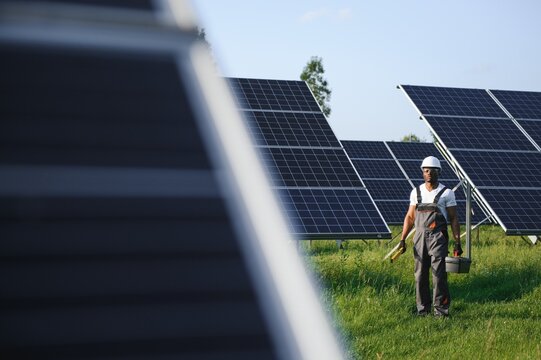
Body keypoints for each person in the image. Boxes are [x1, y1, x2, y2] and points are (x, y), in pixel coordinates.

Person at [399, 156, 463, 317]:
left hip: (438, 238)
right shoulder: (416, 191)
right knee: (420, 275)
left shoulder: (447, 193)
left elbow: (454, 218)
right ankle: (423, 310)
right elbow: (410, 217)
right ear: (422, 172)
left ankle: (441, 311)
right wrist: (402, 239)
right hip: (419, 238)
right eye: (425, 171)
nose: (428, 174)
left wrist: (457, 242)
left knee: (439, 274)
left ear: (438, 172)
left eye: (432, 171)